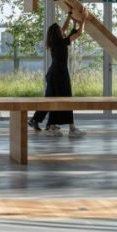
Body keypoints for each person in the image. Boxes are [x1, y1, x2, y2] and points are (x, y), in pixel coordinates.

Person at [29, 8, 84, 137]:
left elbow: (63, 29)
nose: (62, 30)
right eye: (60, 30)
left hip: (53, 73)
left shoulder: (55, 41)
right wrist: (84, 19)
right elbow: (79, 33)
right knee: (65, 98)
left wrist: (70, 16)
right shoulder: (60, 42)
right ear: (57, 33)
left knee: (52, 99)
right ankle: (70, 128)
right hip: (59, 74)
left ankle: (50, 125)